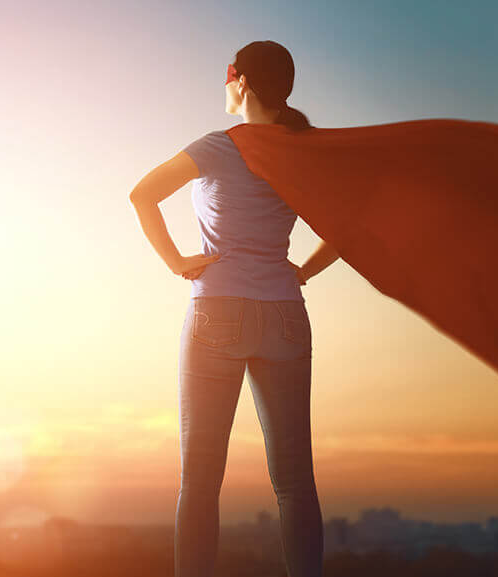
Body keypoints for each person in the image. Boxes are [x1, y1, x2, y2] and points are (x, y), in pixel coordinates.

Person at [129, 40, 336, 577]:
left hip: (216, 310)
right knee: (294, 483)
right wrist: (303, 271)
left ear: (240, 81)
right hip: (286, 316)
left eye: (227, 77)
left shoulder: (220, 147)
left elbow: (142, 195)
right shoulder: (304, 151)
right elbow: (347, 230)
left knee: (199, 483)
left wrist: (178, 262)